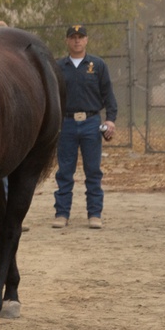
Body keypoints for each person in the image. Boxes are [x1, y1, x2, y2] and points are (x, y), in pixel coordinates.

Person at [52, 24, 118, 229]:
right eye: (73, 37)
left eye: (81, 37)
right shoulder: (58, 67)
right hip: (67, 124)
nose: (77, 40)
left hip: (91, 123)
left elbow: (108, 95)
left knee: (93, 170)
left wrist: (110, 120)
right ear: (67, 41)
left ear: (87, 40)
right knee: (64, 171)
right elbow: (52, 97)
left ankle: (94, 214)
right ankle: (62, 214)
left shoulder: (97, 65)